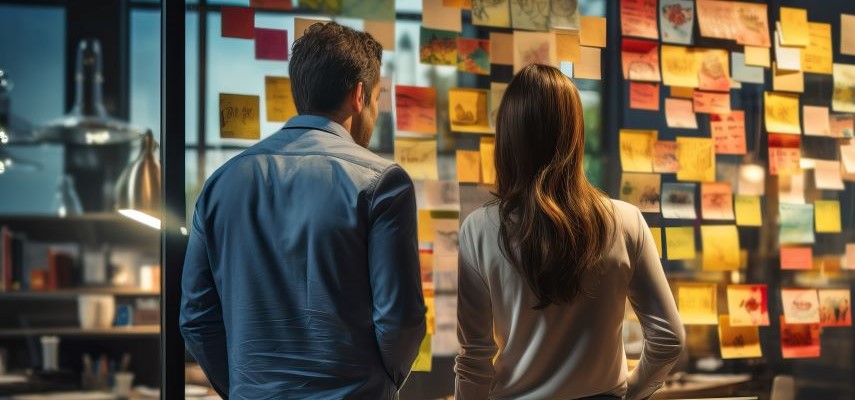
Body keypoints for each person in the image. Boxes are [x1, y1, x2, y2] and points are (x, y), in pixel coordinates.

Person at [180, 22, 426, 398]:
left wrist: (247, 389)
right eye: (377, 100)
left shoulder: (220, 184)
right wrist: (381, 385)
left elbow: (197, 319)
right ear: (359, 95)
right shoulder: (383, 183)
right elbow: (400, 323)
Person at [455, 65, 685, 400]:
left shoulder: (479, 229)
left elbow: (474, 359)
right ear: (575, 134)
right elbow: (668, 339)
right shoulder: (626, 221)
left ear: (506, 138)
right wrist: (631, 393)